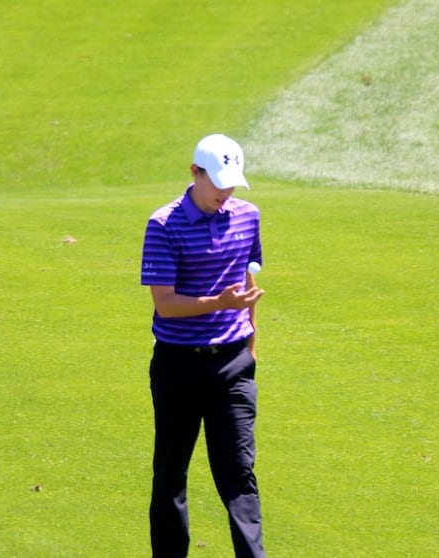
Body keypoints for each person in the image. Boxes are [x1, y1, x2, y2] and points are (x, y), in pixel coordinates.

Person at [140, 133, 266, 558]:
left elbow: (248, 281)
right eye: (218, 183)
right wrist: (221, 303)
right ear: (195, 173)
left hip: (232, 365)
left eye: (232, 183)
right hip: (178, 366)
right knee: (171, 474)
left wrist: (251, 342)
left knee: (238, 473)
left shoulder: (248, 216)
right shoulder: (163, 225)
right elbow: (166, 303)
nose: (226, 193)